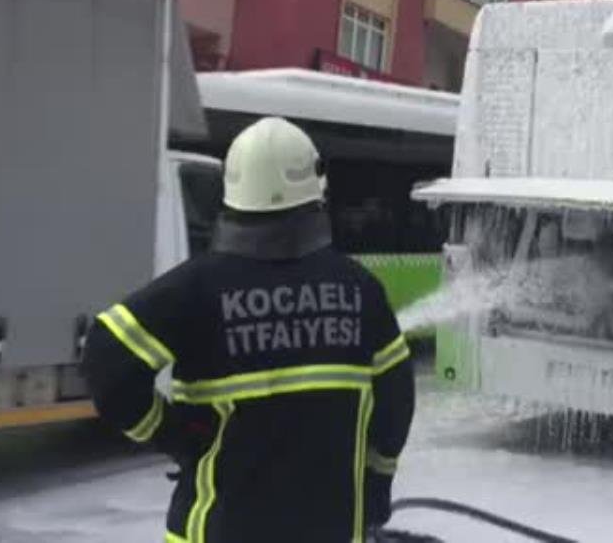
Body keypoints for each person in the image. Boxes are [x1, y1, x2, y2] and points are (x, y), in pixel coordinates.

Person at [82, 117, 415, 543]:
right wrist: (377, 483)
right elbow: (396, 401)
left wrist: (170, 432)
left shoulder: (196, 288)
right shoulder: (360, 289)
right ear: (315, 190)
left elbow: (107, 360)